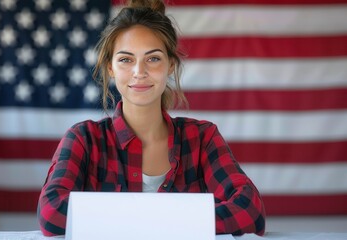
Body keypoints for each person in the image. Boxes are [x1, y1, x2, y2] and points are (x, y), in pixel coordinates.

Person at [37, 0, 266, 236]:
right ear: (110, 68)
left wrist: (122, 221)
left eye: (153, 58)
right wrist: (177, 222)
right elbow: (51, 213)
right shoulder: (84, 139)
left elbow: (250, 211)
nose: (139, 72)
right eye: (126, 59)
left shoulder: (202, 138)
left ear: (170, 65)